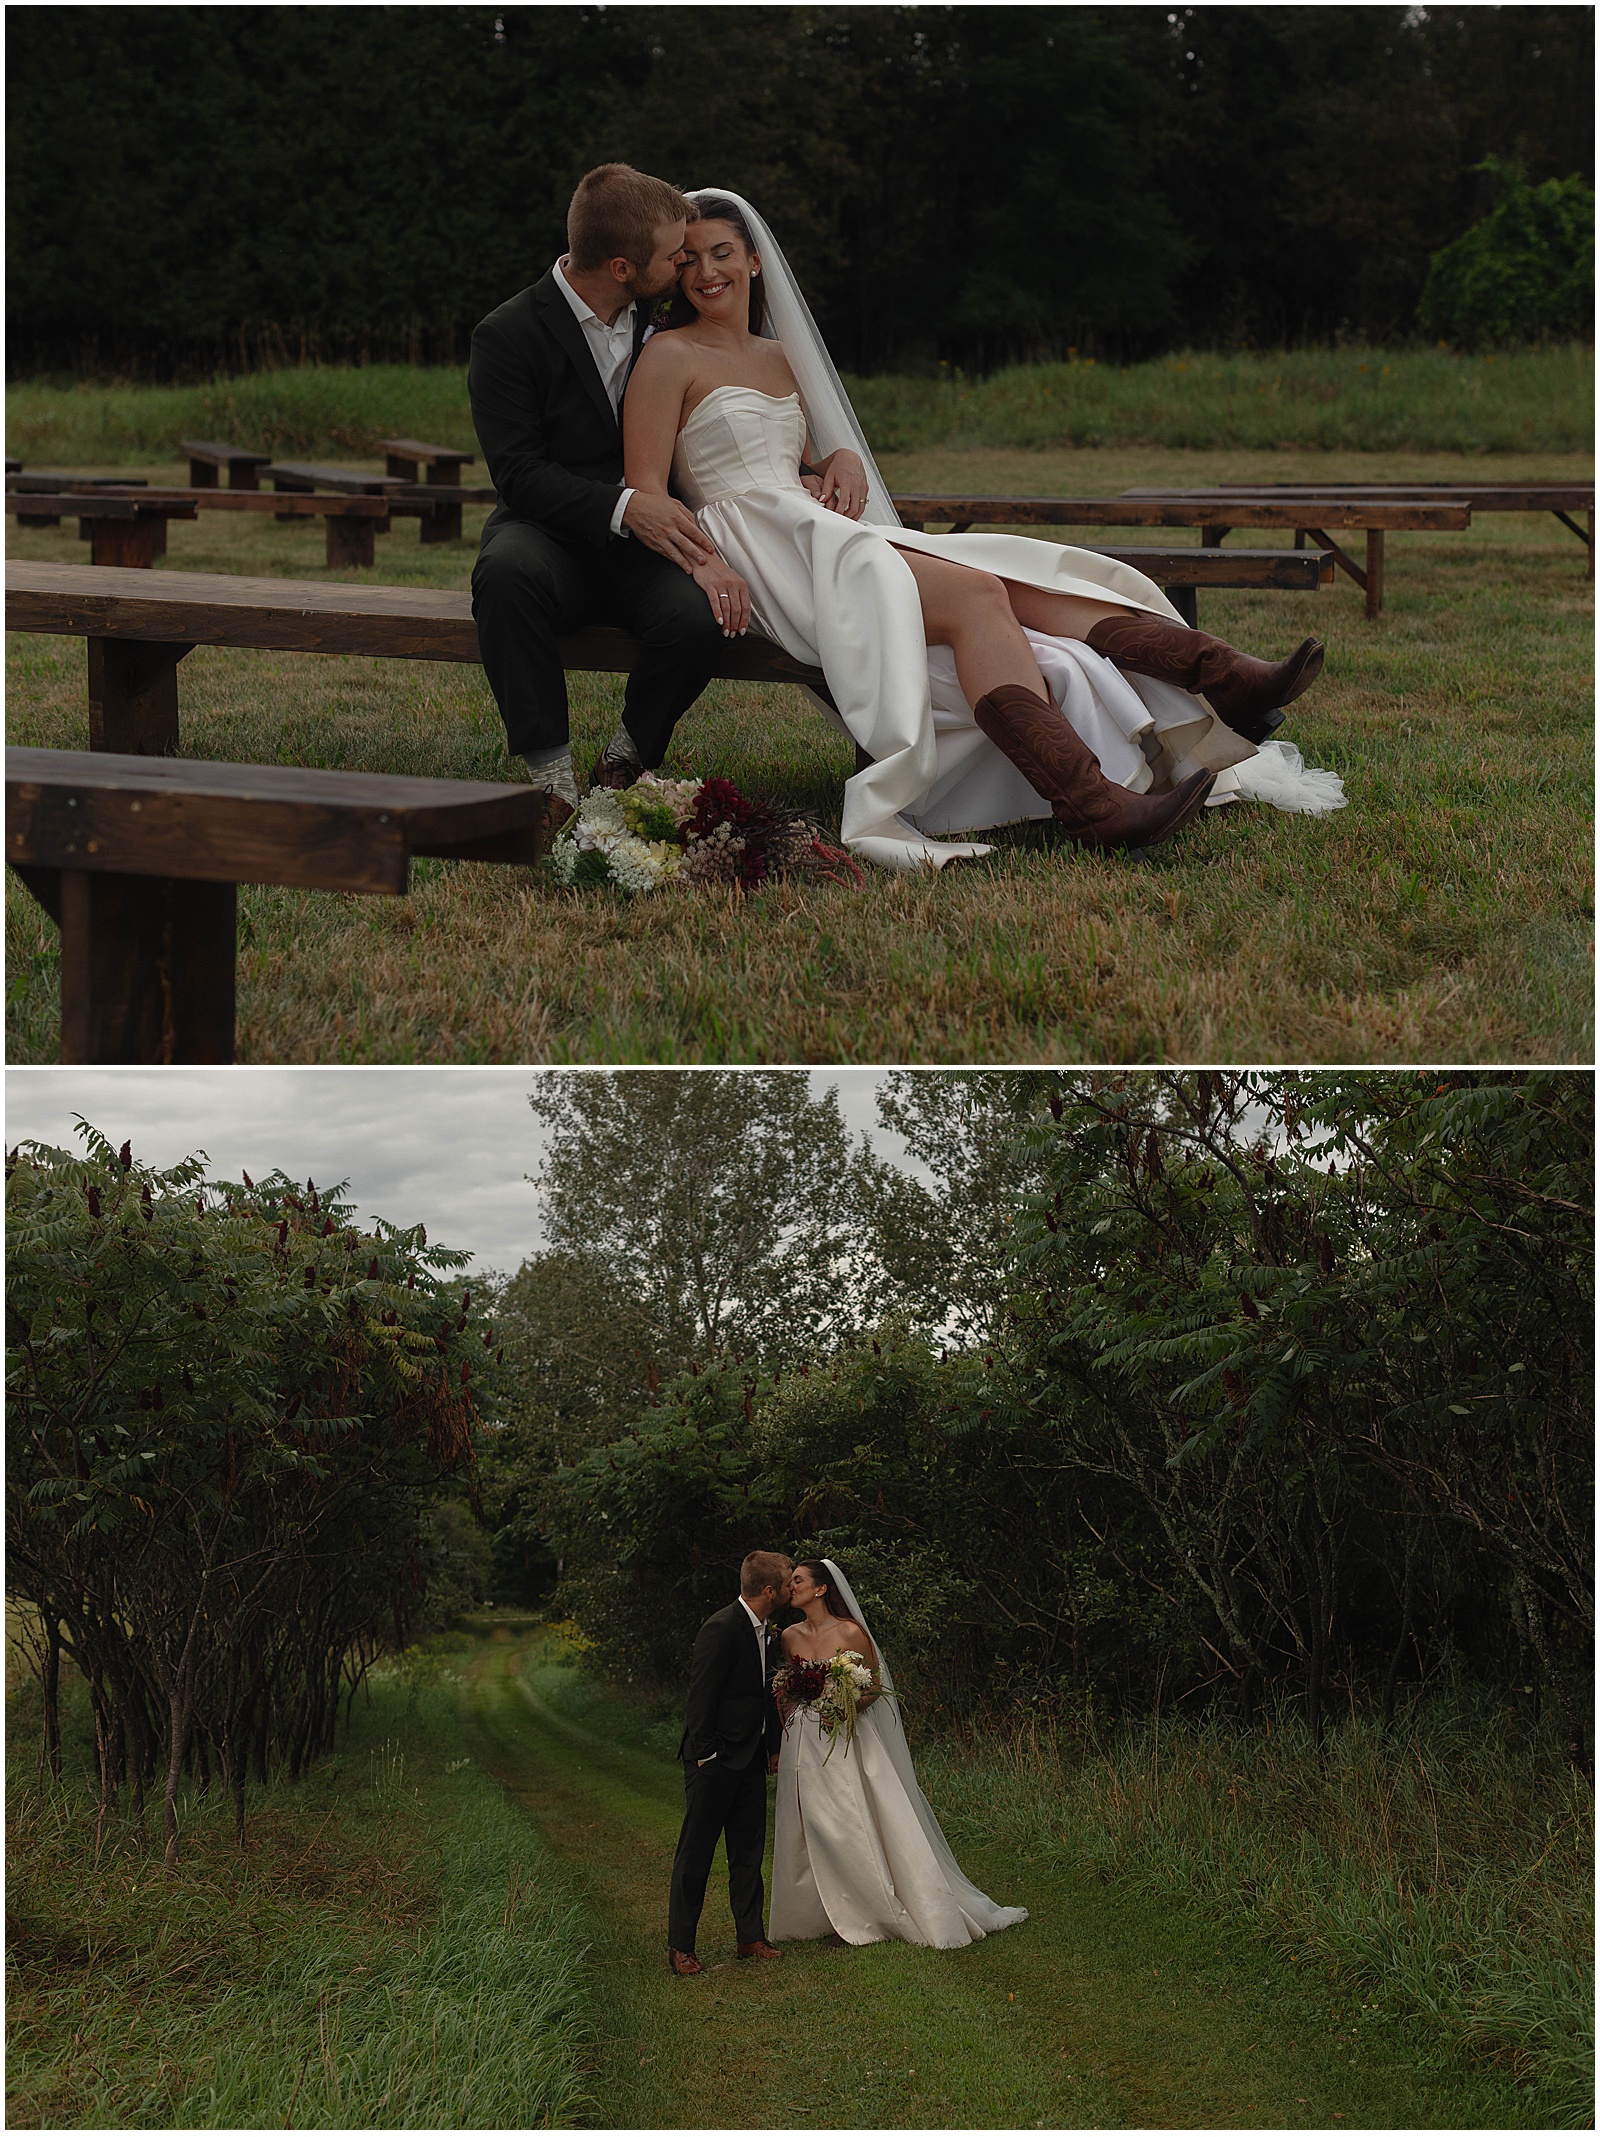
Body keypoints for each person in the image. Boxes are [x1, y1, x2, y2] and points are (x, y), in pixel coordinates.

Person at [622, 190, 1345, 872]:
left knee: (1014, 578)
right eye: (688, 260)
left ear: (754, 260)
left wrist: (837, 458)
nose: (706, 271)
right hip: (759, 547)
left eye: (721, 252)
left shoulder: (783, 358)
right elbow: (648, 492)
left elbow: (798, 460)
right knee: (978, 593)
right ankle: (1104, 793)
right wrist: (708, 563)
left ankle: (1214, 683)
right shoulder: (669, 355)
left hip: (814, 526)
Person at [467, 164, 729, 830]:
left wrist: (823, 459)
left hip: (646, 545)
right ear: (621, 267)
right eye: (673, 256)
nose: (684, 263)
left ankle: (626, 757)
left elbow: (740, 379)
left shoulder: (667, 310)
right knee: (504, 573)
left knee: (699, 617)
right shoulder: (506, 335)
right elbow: (519, 474)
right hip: (549, 533)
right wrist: (624, 507)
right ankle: (551, 780)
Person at [769, 1559, 1027, 1947]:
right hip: (804, 1742)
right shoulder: (789, 1636)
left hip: (847, 1738)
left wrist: (845, 1706)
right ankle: (819, 1914)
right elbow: (787, 1689)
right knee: (810, 1824)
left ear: (821, 1589)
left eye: (799, 1580)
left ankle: (866, 1912)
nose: (791, 1587)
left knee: (849, 1821)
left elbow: (873, 1688)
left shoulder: (851, 1632)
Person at [667, 1550, 792, 1976]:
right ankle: (681, 1946)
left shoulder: (770, 1633)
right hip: (714, 1761)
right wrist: (706, 1755)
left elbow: (766, 1694)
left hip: (751, 1759)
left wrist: (771, 1748)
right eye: (787, 1583)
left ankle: (750, 1937)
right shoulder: (720, 1628)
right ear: (770, 1590)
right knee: (696, 1854)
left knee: (748, 1853)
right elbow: (700, 1698)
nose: (792, 1589)